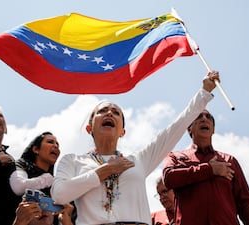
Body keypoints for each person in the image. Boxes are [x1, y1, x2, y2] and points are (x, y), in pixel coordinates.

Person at [50, 71, 220, 225]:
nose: (110, 113)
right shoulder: (72, 161)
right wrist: (106, 170)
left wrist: (204, 92)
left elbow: (174, 129)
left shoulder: (138, 160)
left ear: (122, 131)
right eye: (103, 111)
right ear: (89, 128)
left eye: (116, 113)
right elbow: (59, 195)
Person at [162, 109, 249, 225]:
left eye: (208, 117)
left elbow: (245, 202)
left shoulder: (229, 161)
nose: (204, 119)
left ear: (213, 130)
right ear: (189, 128)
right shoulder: (175, 157)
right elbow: (168, 178)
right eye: (199, 117)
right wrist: (210, 169)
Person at [10, 131, 76, 225]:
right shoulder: (22, 166)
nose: (56, 146)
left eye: (57, 144)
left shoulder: (56, 184)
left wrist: (67, 220)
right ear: (36, 149)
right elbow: (18, 186)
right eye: (50, 142)